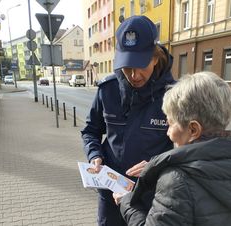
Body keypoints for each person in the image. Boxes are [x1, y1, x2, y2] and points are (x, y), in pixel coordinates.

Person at [114, 71, 231, 225]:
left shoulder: (176, 181)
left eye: (171, 123)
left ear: (193, 130)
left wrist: (127, 203)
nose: (168, 132)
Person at [81, 15, 175, 226]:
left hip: (152, 196)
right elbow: (90, 131)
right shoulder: (108, 90)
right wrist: (94, 154)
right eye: (127, 66)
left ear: (155, 57)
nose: (134, 75)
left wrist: (156, 165)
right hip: (111, 193)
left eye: (140, 65)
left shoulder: (175, 95)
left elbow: (188, 149)